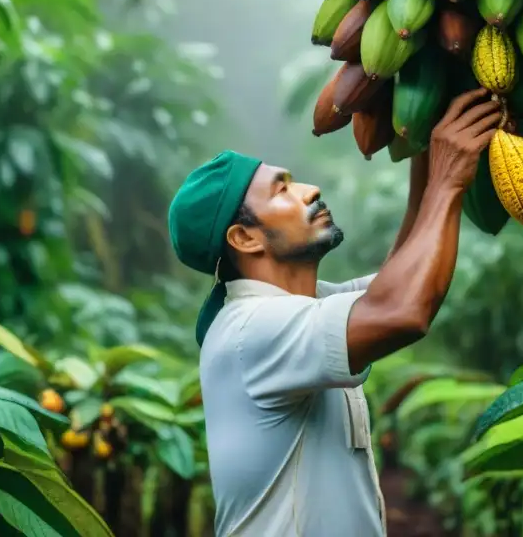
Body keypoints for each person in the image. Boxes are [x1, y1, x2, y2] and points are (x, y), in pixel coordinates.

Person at [166, 87, 502, 537]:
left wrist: (425, 138)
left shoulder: (304, 307)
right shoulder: (252, 330)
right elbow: (404, 310)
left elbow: (402, 275)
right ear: (245, 239)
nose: (310, 190)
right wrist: (448, 181)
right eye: (282, 189)